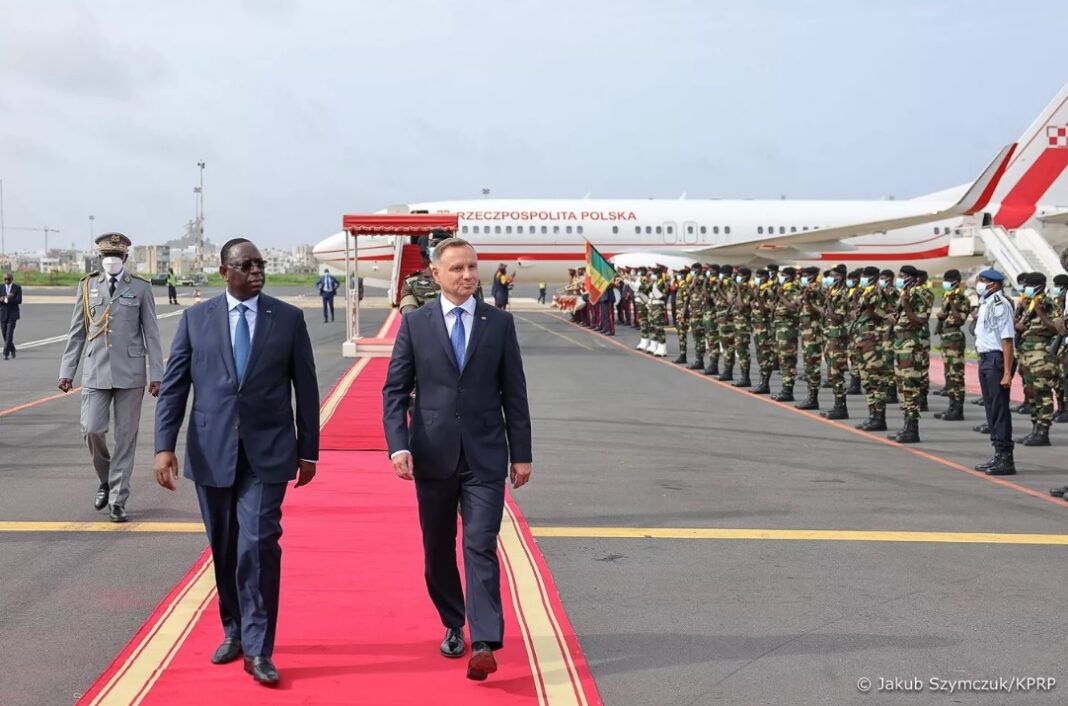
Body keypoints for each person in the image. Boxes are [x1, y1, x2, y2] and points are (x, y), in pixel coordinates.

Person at [153, 238, 319, 687]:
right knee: (225, 547)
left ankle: (260, 648)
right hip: (212, 452)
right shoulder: (196, 319)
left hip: (269, 454)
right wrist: (163, 446)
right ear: (224, 272)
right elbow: (174, 388)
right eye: (246, 265)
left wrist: (309, 450)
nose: (256, 271)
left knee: (259, 545)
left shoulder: (287, 318)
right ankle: (235, 631)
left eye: (260, 264)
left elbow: (305, 387)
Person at [382, 237, 532, 682]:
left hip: (486, 457)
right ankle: (454, 621)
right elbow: (395, 391)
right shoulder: (416, 324)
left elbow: (515, 394)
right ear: (436, 275)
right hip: (432, 454)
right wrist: (399, 444)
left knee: (480, 545)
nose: (467, 275)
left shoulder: (499, 324)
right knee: (437, 551)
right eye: (457, 269)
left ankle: (485, 641)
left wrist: (521, 454)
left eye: (472, 267)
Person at [58, 233, 164, 522]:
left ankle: (118, 500)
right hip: (95, 370)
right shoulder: (87, 286)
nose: (111, 261)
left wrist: (157, 374)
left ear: (126, 259)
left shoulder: (140, 288)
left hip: (130, 374)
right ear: (99, 259)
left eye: (116, 257)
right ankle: (106, 479)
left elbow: (151, 333)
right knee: (91, 429)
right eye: (106, 257)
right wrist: (67, 371)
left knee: (125, 438)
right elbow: (76, 332)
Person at [973, 268, 1017, 475]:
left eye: (982, 280)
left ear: (994, 284)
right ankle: (998, 453)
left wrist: (1007, 372)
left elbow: (1007, 341)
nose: (978, 284)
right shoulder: (986, 303)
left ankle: (1006, 457)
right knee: (991, 409)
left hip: (997, 360)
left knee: (999, 409)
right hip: (986, 359)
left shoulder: (1001, 305)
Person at [933, 269, 972, 422]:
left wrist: (951, 304)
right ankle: (951, 406)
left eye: (950, 280)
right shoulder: (946, 296)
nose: (947, 283)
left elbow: (959, 319)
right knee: (949, 375)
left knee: (956, 375)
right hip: (946, 338)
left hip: (955, 338)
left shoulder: (962, 299)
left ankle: (958, 408)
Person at [399, 229, 450, 313]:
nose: (437, 248)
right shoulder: (411, 282)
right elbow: (409, 313)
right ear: (428, 250)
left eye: (442, 246)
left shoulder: (465, 279)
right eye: (434, 244)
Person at [1, 272, 22, 360]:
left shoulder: (17, 288)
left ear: (12, 279)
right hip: (2, 314)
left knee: (9, 334)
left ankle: (6, 353)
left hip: (12, 314)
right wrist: (5, 299)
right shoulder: (0, 287)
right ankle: (12, 348)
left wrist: (9, 300)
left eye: (8, 279)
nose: (6, 281)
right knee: (5, 334)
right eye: (5, 279)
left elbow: (19, 300)